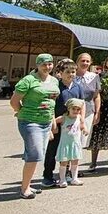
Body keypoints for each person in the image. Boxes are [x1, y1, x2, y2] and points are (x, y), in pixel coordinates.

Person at [11, 53, 60, 199]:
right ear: (37, 65)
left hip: (46, 122)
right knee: (35, 154)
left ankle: (27, 184)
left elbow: (52, 103)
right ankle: (24, 189)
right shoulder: (28, 80)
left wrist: (52, 124)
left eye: (50, 64)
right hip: (30, 122)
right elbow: (14, 101)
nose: (47, 67)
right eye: (44, 64)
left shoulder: (54, 81)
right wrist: (22, 112)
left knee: (36, 154)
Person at [42, 59, 85, 187]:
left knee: (70, 150)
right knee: (52, 150)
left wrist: (81, 121)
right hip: (58, 124)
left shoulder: (78, 87)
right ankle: (47, 176)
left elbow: (82, 105)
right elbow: (50, 106)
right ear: (60, 73)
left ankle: (67, 175)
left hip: (72, 126)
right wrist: (53, 125)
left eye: (73, 72)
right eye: (68, 72)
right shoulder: (56, 87)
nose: (71, 74)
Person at [87, 54, 108, 171]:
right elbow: (96, 93)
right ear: (106, 63)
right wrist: (97, 110)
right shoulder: (100, 76)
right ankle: (93, 162)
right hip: (103, 106)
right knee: (97, 133)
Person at [74, 53, 101, 151]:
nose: (85, 63)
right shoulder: (71, 75)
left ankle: (75, 164)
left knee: (83, 140)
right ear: (77, 62)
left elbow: (97, 96)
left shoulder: (94, 77)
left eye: (87, 61)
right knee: (71, 138)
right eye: (82, 61)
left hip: (89, 111)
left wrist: (97, 112)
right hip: (73, 111)